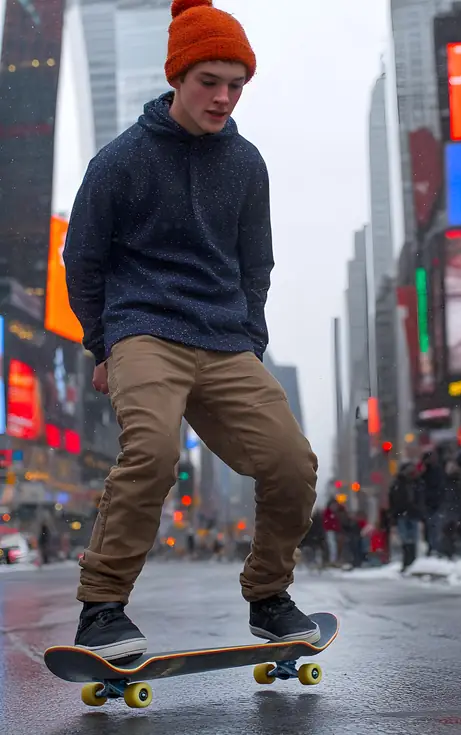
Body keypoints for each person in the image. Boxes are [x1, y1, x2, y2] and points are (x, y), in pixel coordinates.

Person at [63, 0, 320, 663]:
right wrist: (104, 344)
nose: (224, 97)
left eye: (236, 84)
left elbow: (254, 265)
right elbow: (83, 259)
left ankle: (269, 595)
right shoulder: (121, 161)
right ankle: (102, 607)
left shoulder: (246, 164)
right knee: (153, 452)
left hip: (225, 340)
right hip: (145, 330)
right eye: (210, 80)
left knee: (292, 462)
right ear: (178, 75)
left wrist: (250, 346)